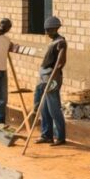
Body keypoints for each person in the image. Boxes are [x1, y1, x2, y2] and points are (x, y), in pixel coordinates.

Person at [33, 16, 67, 146]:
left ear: (55, 29)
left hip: (52, 78)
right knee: (44, 108)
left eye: (48, 30)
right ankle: (46, 135)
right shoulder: (53, 41)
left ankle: (60, 137)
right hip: (44, 77)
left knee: (54, 109)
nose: (46, 33)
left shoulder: (61, 42)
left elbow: (61, 61)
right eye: (46, 30)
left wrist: (54, 74)